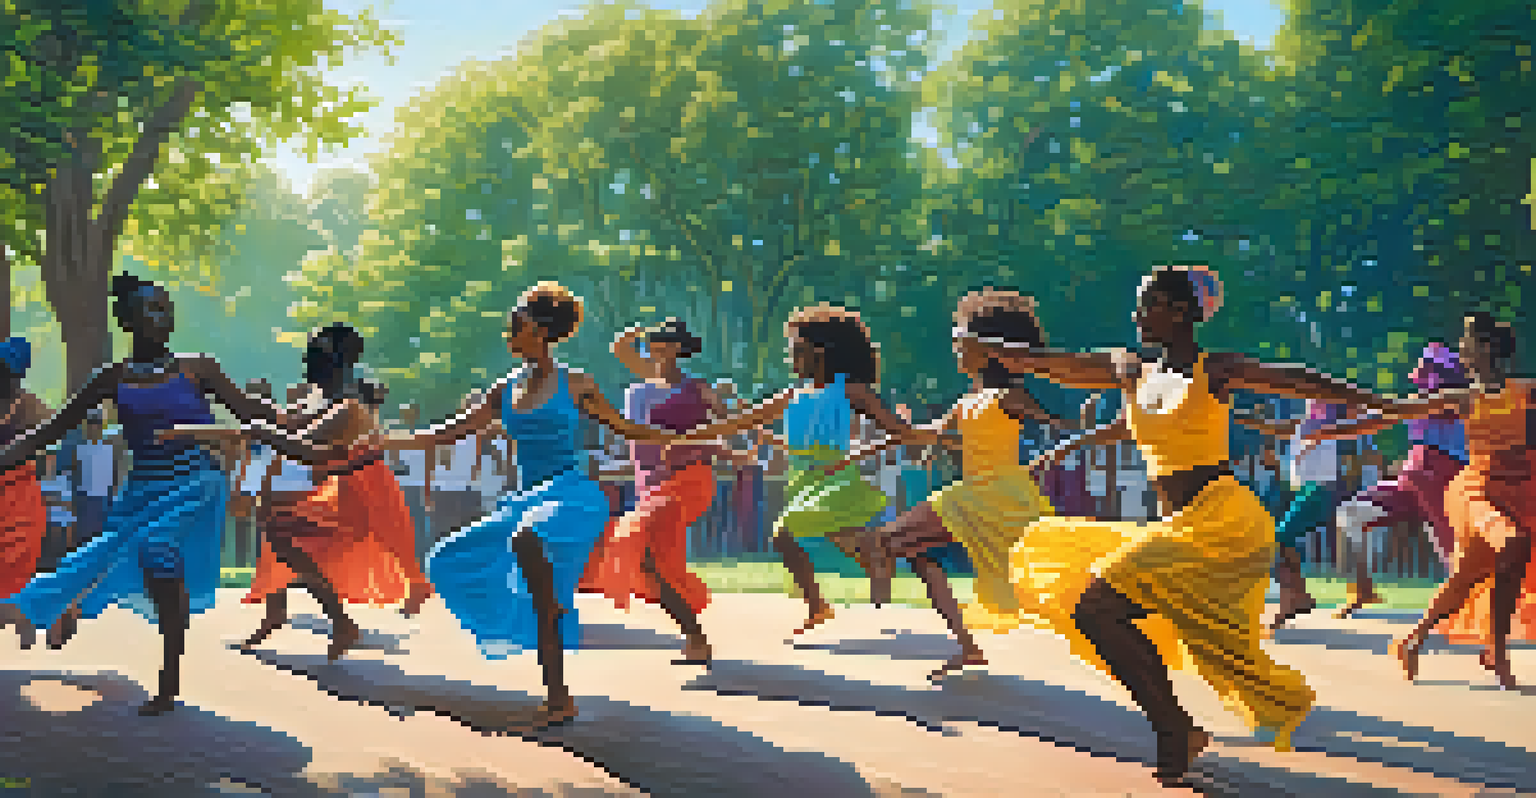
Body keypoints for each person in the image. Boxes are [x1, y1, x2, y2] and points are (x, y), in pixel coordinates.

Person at [989, 265, 1408, 786]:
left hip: (1223, 522)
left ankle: (1173, 729)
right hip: (1177, 527)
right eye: (1139, 306)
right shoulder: (1133, 370)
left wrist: (1388, 407)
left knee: (1096, 605)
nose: (1139, 316)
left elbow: (1302, 380)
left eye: (1151, 305)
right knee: (1132, 623)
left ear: (1182, 311)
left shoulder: (1216, 369)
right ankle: (1177, 726)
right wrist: (999, 349)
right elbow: (1061, 367)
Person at [381, 283, 684, 733]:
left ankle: (555, 658)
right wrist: (385, 440)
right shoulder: (505, 389)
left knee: (530, 542)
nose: (508, 334)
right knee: (444, 558)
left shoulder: (576, 383)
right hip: (525, 502)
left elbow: (627, 429)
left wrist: (687, 438)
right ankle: (550, 634)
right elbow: (448, 433)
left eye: (515, 325)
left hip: (572, 495)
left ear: (540, 330)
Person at [0, 273, 283, 715]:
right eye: (152, 308)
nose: (163, 315)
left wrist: (302, 423)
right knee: (95, 556)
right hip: (140, 492)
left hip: (195, 484)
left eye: (167, 308)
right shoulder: (109, 379)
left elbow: (251, 412)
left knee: (156, 551)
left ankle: (168, 680)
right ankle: (58, 606)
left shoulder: (198, 368)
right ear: (126, 319)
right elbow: (47, 433)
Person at [836, 289, 1074, 681]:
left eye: (960, 342)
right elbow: (924, 434)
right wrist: (870, 448)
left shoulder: (1009, 395)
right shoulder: (969, 401)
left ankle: (878, 578)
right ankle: (966, 645)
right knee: (912, 550)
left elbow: (1061, 423)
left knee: (888, 541)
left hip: (998, 495)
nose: (955, 350)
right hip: (978, 494)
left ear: (989, 348)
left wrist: (1065, 442)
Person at [671, 304, 928, 636]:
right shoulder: (791, 394)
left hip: (836, 478)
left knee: (783, 533)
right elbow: (740, 422)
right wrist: (683, 437)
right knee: (844, 539)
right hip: (803, 478)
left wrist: (865, 450)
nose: (788, 355)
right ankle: (878, 564)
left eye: (795, 348)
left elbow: (900, 432)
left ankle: (819, 604)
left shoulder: (850, 391)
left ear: (818, 352)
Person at [1308, 313, 1532, 689]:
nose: (1461, 348)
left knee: (1466, 578)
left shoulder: (1525, 390)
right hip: (1480, 491)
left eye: (1467, 340)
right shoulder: (1460, 397)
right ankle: (1497, 649)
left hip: (1521, 491)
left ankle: (1413, 639)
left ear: (1488, 348)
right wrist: (1331, 431)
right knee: (1513, 543)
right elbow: (1393, 414)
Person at [182, 324, 434, 659]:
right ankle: (295, 615)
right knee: (274, 525)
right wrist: (241, 410)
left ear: (334, 359)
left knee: (284, 534)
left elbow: (303, 445)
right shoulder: (320, 396)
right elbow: (289, 425)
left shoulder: (349, 404)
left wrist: (259, 426)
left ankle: (344, 617)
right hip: (334, 481)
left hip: (359, 488)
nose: (306, 358)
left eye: (315, 351)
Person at [579, 319, 741, 664]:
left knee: (635, 547)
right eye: (653, 342)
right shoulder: (639, 389)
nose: (655, 347)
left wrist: (717, 448)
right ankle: (696, 638)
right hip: (650, 484)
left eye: (664, 343)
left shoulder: (696, 388)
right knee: (654, 563)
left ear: (677, 349)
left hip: (687, 479)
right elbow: (620, 346)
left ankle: (695, 636)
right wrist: (646, 327)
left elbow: (728, 424)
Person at [1332, 343, 1469, 617]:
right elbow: (1377, 420)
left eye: (1429, 367)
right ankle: (1363, 589)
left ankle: (1465, 605)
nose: (1421, 373)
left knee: (1451, 544)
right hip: (1411, 483)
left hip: (1445, 482)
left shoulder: (1459, 400)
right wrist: (1328, 431)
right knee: (1350, 514)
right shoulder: (1417, 401)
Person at [1235, 400, 1349, 632]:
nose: (1309, 403)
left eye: (1314, 401)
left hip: (1320, 489)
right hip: (1308, 490)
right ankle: (1298, 594)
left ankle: (1295, 596)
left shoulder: (1330, 423)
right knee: (1280, 540)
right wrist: (1233, 412)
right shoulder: (1303, 424)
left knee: (1278, 539)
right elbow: (1270, 426)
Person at [0, 337, 50, 648]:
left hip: (21, 497)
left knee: (16, 565)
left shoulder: (32, 407)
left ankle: (22, 615)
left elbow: (47, 450)